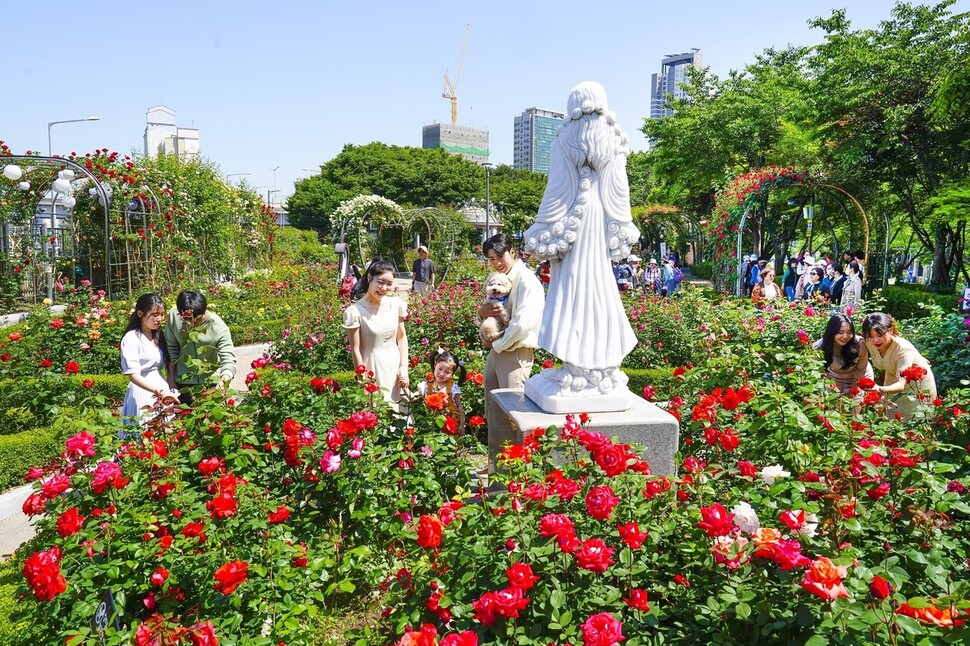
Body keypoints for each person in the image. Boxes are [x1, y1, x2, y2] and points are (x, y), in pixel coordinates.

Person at [479, 233, 544, 396]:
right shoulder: (496, 278)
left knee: (511, 413)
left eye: (500, 256)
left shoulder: (526, 280)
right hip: (497, 350)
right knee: (493, 410)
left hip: (515, 352)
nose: (497, 263)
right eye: (492, 259)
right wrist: (481, 314)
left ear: (513, 252)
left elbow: (522, 324)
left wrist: (497, 343)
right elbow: (487, 311)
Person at [344, 258, 410, 409]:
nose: (384, 288)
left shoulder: (396, 304)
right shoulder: (354, 312)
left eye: (389, 284)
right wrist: (363, 379)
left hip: (395, 366)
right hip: (372, 368)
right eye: (380, 282)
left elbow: (401, 337)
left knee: (400, 411)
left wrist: (404, 367)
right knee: (377, 413)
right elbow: (356, 349)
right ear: (369, 278)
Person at [164, 290, 236, 405]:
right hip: (182, 384)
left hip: (210, 384)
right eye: (187, 319)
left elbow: (228, 360)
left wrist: (223, 381)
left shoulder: (218, 327)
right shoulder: (174, 316)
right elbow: (171, 349)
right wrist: (171, 380)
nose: (192, 324)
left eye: (197, 319)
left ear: (205, 310)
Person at [862, 313, 937, 420]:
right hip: (891, 383)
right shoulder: (869, 342)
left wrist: (878, 389)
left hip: (917, 387)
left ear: (890, 330)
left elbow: (901, 384)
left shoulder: (903, 349)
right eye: (871, 336)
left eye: (879, 335)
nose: (875, 340)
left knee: (916, 423)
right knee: (892, 422)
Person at [121, 294, 179, 425]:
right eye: (154, 315)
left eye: (162, 314)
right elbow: (133, 375)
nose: (159, 319)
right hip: (141, 390)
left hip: (162, 388)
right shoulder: (131, 338)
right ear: (140, 313)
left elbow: (169, 362)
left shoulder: (159, 336)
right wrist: (159, 391)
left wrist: (171, 387)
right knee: (143, 430)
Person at [814, 313, 874, 394]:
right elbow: (820, 372)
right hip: (835, 379)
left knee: (858, 404)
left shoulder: (860, 344)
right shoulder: (819, 347)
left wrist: (852, 392)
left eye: (849, 332)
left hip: (861, 377)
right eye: (840, 332)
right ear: (832, 332)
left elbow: (860, 370)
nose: (845, 336)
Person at [416, 349, 466, 434]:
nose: (442, 374)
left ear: (452, 374)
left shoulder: (453, 388)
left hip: (451, 426)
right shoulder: (426, 386)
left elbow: (459, 406)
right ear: (435, 365)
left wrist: (462, 424)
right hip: (431, 426)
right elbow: (413, 396)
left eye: (447, 372)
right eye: (440, 369)